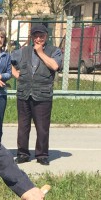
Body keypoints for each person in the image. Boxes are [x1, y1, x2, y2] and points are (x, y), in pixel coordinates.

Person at [11, 23, 61, 165]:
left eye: (41, 36)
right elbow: (7, 60)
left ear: (46, 36)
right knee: (23, 126)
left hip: (43, 95)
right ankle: (22, 153)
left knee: (42, 127)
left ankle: (42, 155)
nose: (39, 39)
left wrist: (40, 53)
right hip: (24, 93)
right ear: (32, 37)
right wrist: (15, 74)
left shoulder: (54, 51)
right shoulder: (23, 51)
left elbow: (55, 66)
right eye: (36, 36)